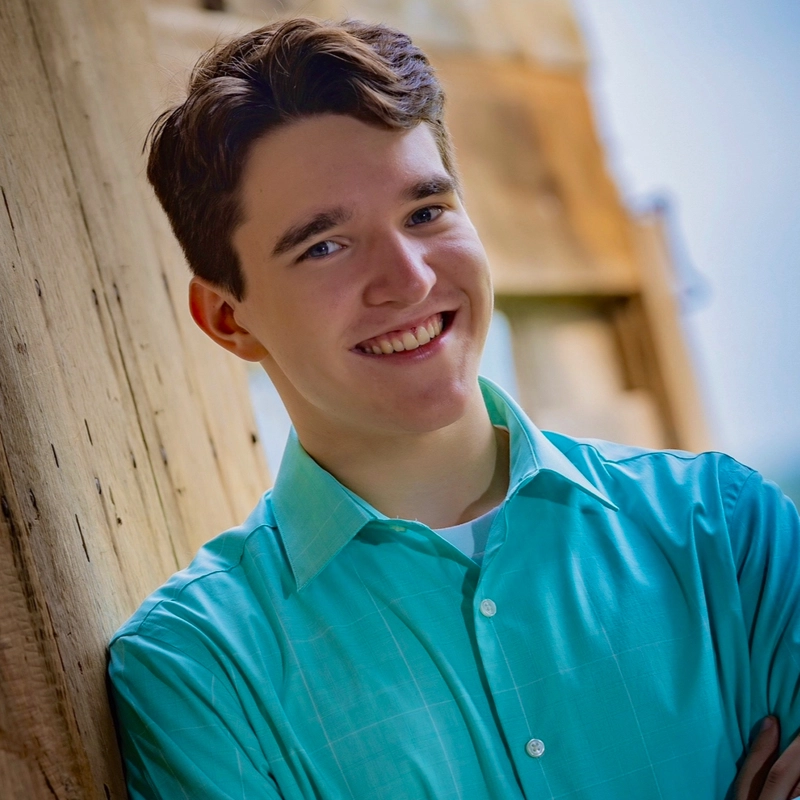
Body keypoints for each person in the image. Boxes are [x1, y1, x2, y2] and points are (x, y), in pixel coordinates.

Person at [108, 17, 800, 800]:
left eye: (426, 211)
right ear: (229, 319)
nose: (407, 279)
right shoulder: (200, 674)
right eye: (325, 246)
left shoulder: (729, 536)